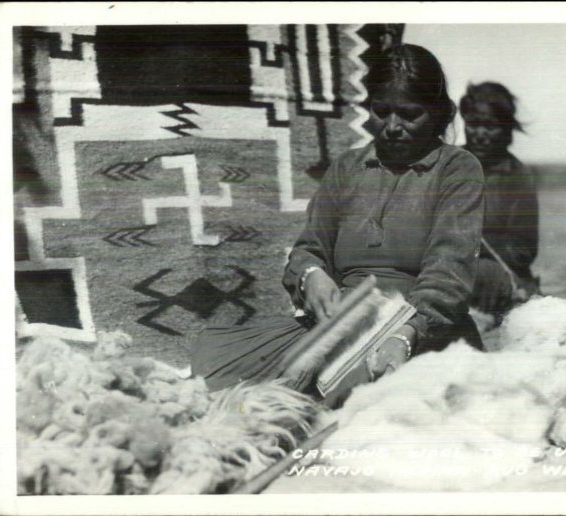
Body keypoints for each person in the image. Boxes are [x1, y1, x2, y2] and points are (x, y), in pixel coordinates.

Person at [192, 44, 485, 393]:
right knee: (214, 366)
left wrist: (406, 335)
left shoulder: (456, 168)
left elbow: (448, 274)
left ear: (437, 112)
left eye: (410, 114)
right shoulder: (348, 167)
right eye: (381, 111)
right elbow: (307, 250)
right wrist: (312, 276)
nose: (392, 126)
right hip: (340, 327)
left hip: (419, 332)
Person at [459, 82, 539, 321]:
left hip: (494, 275)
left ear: (507, 129)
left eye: (490, 126)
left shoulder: (517, 176)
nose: (480, 134)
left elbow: (524, 249)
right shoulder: (449, 165)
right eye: (473, 124)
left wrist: (468, 244)